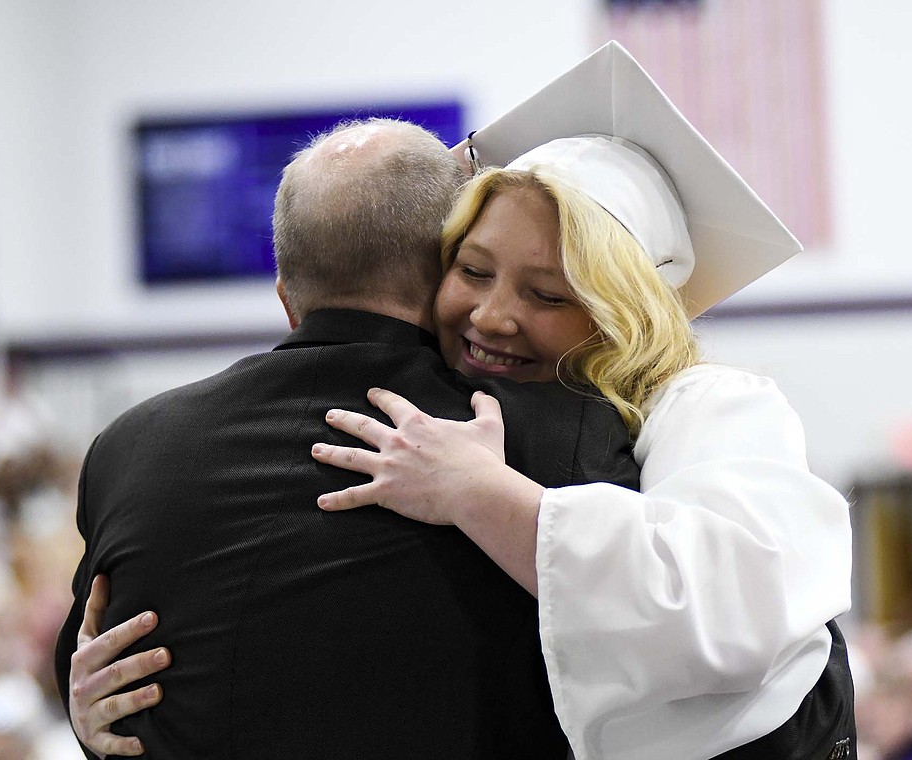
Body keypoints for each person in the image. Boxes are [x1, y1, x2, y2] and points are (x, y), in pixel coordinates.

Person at [68, 42, 857, 759]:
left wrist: (484, 493)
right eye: (473, 270)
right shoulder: (484, 417)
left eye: (546, 292)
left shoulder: (703, 408)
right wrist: (89, 705)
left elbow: (730, 616)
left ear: (626, 310)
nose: (491, 315)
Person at [54, 117, 640, 760]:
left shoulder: (126, 449)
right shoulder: (556, 433)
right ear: (448, 273)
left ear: (286, 297)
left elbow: (97, 679)